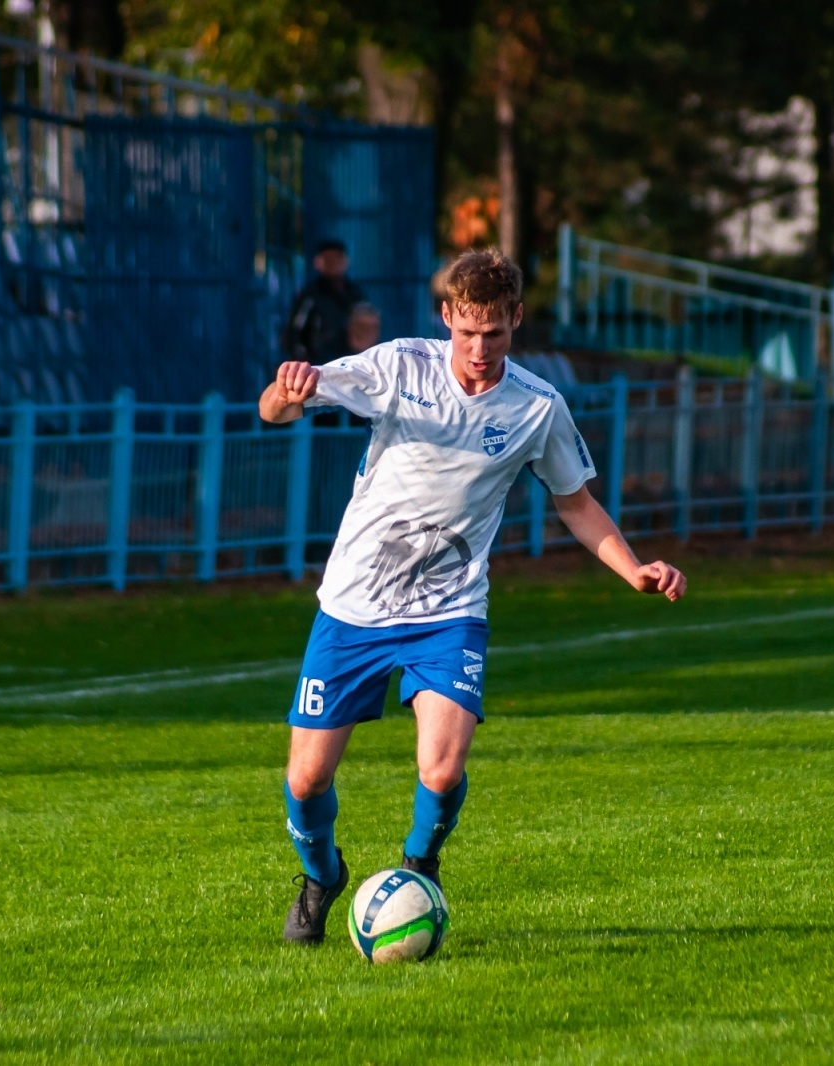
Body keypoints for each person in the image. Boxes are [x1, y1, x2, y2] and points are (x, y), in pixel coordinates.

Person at [260, 248, 687, 944]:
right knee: (306, 782)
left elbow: (577, 504)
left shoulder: (536, 407)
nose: (480, 348)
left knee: (443, 762)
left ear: (515, 320)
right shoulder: (399, 366)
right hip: (354, 604)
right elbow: (275, 410)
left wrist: (633, 568)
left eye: (494, 333)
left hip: (449, 609)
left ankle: (420, 865)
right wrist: (286, 390)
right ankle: (321, 877)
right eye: (467, 332)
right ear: (446, 318)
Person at [283, 239, 367, 363]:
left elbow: (367, 326)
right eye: (328, 259)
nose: (333, 263)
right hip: (320, 366)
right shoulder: (310, 295)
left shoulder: (354, 293)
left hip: (350, 364)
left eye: (337, 258)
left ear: (345, 261)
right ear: (318, 263)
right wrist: (305, 362)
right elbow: (295, 333)